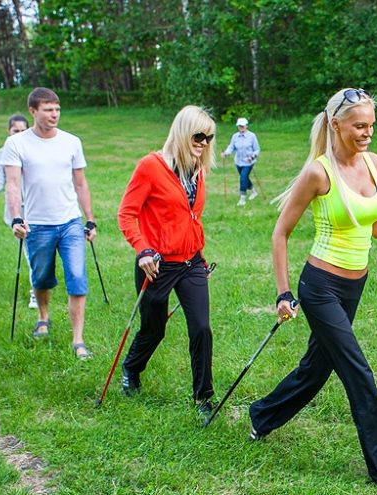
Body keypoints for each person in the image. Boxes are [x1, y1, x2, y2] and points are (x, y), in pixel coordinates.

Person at [249, 88, 377, 495]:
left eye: (372, 125)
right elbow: (281, 233)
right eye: (359, 126)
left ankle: (262, 415)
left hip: (354, 283)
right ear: (336, 125)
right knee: (357, 372)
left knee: (317, 368)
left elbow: (375, 225)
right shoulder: (319, 172)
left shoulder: (374, 163)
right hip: (320, 286)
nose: (368, 133)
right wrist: (283, 291)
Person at [117, 105, 218, 420]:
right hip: (157, 264)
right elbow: (127, 214)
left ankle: (203, 398)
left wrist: (199, 255)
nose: (203, 143)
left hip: (191, 263)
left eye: (209, 137)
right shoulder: (151, 166)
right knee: (154, 328)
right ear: (182, 132)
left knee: (201, 328)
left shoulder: (197, 170)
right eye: (198, 136)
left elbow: (191, 218)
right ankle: (131, 369)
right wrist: (143, 249)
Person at [3, 88, 97, 360]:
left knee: (77, 277)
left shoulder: (71, 142)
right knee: (42, 277)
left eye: (57, 109)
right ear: (33, 111)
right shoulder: (17, 144)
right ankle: (44, 316)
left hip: (69, 222)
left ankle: (78, 339)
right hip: (37, 225)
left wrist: (89, 219)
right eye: (48, 109)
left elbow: (80, 183)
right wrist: (16, 218)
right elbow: (12, 184)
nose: (54, 114)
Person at [0, 114, 36, 308]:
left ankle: (41, 285)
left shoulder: (36, 150)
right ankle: (36, 292)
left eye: (23, 131)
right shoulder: (2, 153)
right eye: (16, 131)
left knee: (42, 253)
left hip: (40, 208)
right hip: (18, 212)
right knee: (31, 252)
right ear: (9, 132)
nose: (20, 134)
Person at [221, 117, 260, 205]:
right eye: (239, 126)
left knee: (243, 178)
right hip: (238, 162)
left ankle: (242, 199)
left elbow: (257, 149)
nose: (241, 127)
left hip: (248, 162)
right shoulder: (235, 136)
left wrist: (253, 156)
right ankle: (254, 192)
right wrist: (226, 153)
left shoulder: (252, 136)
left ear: (246, 126)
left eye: (242, 126)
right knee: (245, 178)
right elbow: (231, 147)